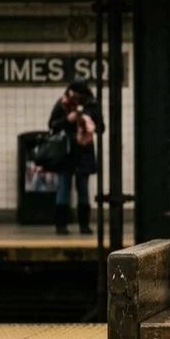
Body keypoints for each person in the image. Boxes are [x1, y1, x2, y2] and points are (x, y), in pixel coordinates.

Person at [48, 80, 104, 235]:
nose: (74, 97)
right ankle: (61, 225)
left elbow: (101, 127)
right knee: (63, 188)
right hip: (65, 151)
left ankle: (84, 225)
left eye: (77, 94)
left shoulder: (91, 106)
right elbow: (52, 125)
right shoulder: (62, 105)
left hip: (83, 151)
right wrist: (69, 120)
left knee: (83, 189)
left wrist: (87, 121)